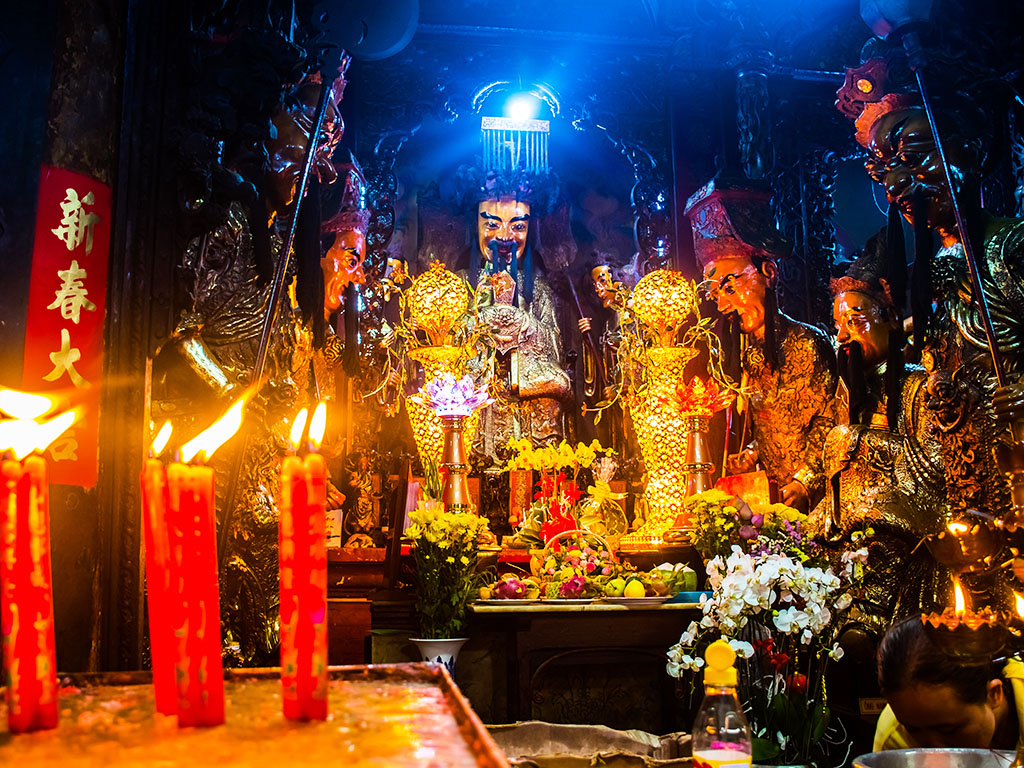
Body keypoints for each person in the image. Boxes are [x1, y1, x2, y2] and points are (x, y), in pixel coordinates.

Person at [813, 234, 948, 620]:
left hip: (901, 542)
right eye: (837, 325)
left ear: (888, 319)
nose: (842, 336)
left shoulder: (919, 388)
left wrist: (857, 440)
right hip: (845, 531)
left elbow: (930, 471)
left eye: (854, 322)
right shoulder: (851, 390)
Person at [684, 177, 836, 512]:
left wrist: (805, 479)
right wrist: (751, 452)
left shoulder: (808, 344)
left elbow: (830, 425)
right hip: (772, 500)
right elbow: (771, 425)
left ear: (767, 272)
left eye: (728, 285)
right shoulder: (750, 354)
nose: (722, 302)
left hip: (818, 496)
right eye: (714, 294)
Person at [463, 169, 571, 461]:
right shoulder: (461, 284)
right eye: (493, 224)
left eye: (518, 227)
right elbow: (447, 339)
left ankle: (542, 470)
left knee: (556, 386)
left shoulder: (538, 287)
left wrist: (524, 324)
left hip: (525, 384)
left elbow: (555, 348)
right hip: (477, 382)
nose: (505, 236)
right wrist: (481, 324)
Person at [874, 615, 1024, 750]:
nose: (935, 751)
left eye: (948, 730)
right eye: (912, 730)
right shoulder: (894, 739)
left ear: (993, 694)